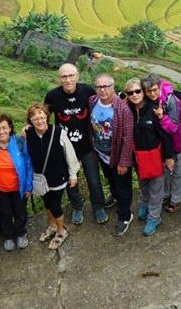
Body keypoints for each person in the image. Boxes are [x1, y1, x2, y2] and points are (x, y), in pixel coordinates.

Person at [43, 63, 112, 226]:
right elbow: (43, 117)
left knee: (94, 180)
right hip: (66, 150)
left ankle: (98, 207)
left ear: (77, 76)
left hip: (88, 146)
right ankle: (77, 205)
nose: (68, 80)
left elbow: (104, 102)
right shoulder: (52, 96)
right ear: (59, 78)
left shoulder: (87, 91)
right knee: (70, 182)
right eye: (64, 76)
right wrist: (29, 127)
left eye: (71, 76)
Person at [24, 103, 80, 249]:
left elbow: (70, 153)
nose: (39, 121)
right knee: (47, 203)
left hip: (58, 177)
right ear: (30, 121)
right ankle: (52, 226)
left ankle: (61, 231)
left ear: (47, 116)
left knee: (55, 205)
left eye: (42, 117)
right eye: (35, 119)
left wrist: (73, 174)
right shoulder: (29, 134)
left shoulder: (58, 131)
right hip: (40, 179)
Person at [124, 78, 174, 236]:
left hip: (155, 156)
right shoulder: (127, 109)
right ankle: (145, 205)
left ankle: (154, 217)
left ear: (143, 92)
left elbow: (165, 135)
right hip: (138, 157)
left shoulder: (154, 109)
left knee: (156, 188)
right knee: (143, 183)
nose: (135, 95)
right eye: (130, 92)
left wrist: (169, 157)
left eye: (138, 91)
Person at [89, 74, 135, 236]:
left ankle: (125, 215)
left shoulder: (122, 109)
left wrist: (123, 162)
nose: (102, 90)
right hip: (101, 153)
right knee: (111, 180)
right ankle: (115, 197)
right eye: (99, 87)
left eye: (106, 86)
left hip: (118, 157)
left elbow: (128, 138)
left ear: (112, 87)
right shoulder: (92, 101)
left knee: (124, 187)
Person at [142, 73, 181, 213]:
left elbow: (174, 126)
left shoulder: (171, 101)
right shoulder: (148, 100)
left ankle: (177, 198)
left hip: (178, 140)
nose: (152, 93)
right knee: (165, 169)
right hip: (163, 142)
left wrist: (161, 117)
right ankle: (166, 194)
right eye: (149, 91)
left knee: (178, 170)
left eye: (154, 89)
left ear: (159, 86)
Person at [0, 113, 33, 251]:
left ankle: (21, 234)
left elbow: (28, 164)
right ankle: (8, 236)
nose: (1, 131)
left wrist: (29, 186)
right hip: (1, 188)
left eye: (4, 128)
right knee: (4, 213)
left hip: (19, 187)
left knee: (20, 211)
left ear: (10, 128)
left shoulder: (19, 142)